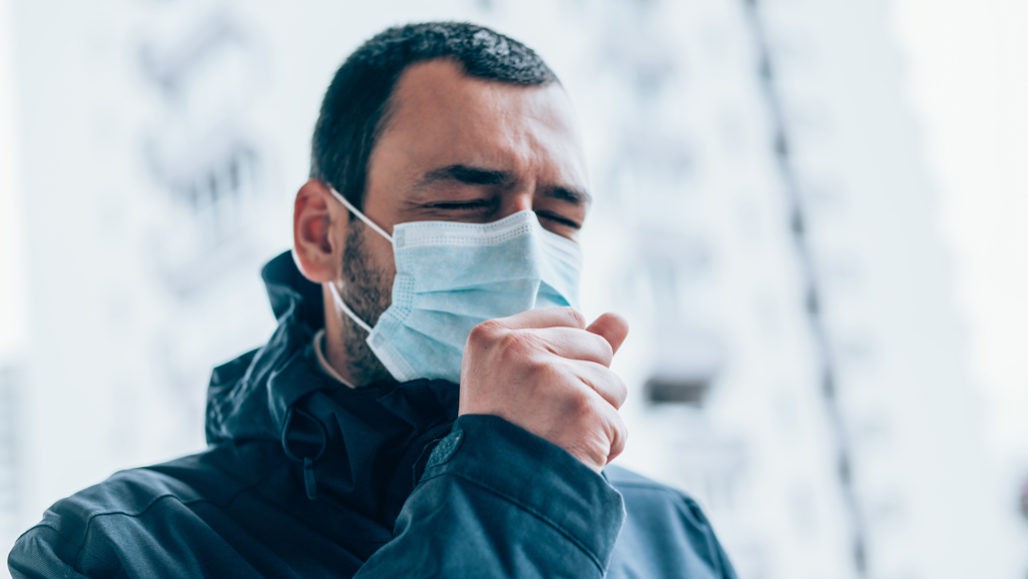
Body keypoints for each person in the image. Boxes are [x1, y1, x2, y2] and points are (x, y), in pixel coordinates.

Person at [9, 21, 736, 578]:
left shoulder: (671, 533)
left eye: (558, 218)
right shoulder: (119, 549)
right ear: (320, 232)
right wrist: (511, 485)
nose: (525, 258)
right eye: (463, 204)